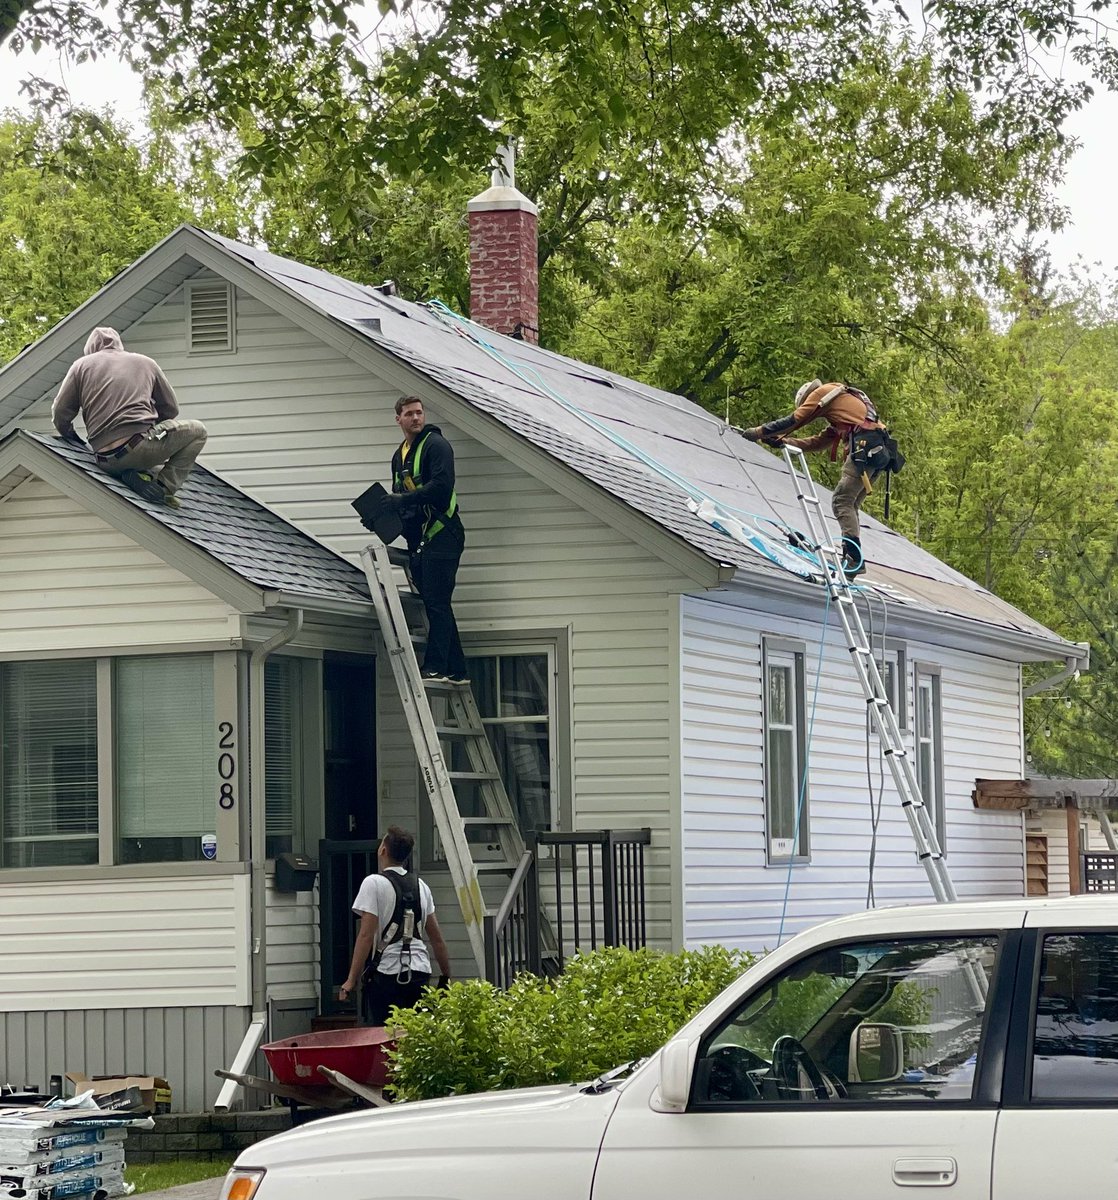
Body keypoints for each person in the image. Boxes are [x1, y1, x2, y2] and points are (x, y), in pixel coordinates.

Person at [737, 379, 902, 578]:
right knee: (850, 505)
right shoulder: (842, 411)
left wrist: (758, 432)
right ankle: (852, 556)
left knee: (841, 501)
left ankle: (853, 559)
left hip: (864, 449)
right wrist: (784, 442)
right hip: (877, 452)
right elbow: (818, 442)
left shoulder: (822, 393)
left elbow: (794, 419)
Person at [51, 327, 208, 510]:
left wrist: (71, 437)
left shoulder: (81, 366)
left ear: (90, 350)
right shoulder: (145, 363)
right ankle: (162, 487)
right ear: (119, 345)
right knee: (199, 431)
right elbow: (171, 408)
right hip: (139, 447)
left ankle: (137, 475)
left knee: (147, 465)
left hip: (104, 460)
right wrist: (153, 430)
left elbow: (60, 412)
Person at [384, 395, 468, 684]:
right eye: (409, 414)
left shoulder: (436, 445)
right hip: (419, 538)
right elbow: (403, 502)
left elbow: (442, 489)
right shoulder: (400, 455)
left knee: (437, 603)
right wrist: (384, 517)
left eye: (419, 412)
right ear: (399, 419)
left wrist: (403, 499)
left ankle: (435, 667)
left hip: (443, 534)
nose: (416, 418)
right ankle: (457, 670)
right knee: (437, 603)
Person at [339, 826, 452, 1025]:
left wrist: (351, 980)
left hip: (387, 974)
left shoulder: (373, 883)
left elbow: (366, 936)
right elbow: (437, 939)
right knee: (415, 1037)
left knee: (386, 1037)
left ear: (383, 850)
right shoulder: (422, 886)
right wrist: (445, 974)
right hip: (420, 972)